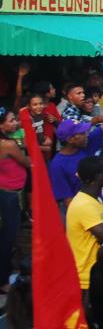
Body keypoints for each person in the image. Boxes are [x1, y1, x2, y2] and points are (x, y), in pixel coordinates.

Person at [51, 104, 103, 208]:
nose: (86, 134)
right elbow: (67, 200)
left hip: (99, 205)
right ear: (70, 139)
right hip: (82, 211)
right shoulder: (57, 165)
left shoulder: (86, 144)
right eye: (81, 133)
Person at [66, 156, 103, 295]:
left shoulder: (95, 199)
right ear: (96, 177)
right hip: (86, 276)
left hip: (97, 271)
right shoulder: (84, 205)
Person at [0, 108, 27, 294]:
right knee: (7, 238)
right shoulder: (7, 144)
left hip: (7, 193)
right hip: (9, 195)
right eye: (11, 121)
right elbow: (26, 162)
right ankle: (2, 281)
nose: (15, 123)